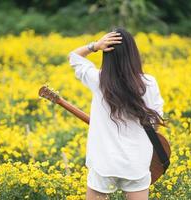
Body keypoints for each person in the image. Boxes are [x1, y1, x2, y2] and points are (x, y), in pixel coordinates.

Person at [68, 27, 166, 200]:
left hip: (104, 163)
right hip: (136, 163)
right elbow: (155, 122)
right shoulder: (149, 83)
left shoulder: (98, 80)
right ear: (133, 54)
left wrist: (95, 46)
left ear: (107, 55)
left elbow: (74, 57)